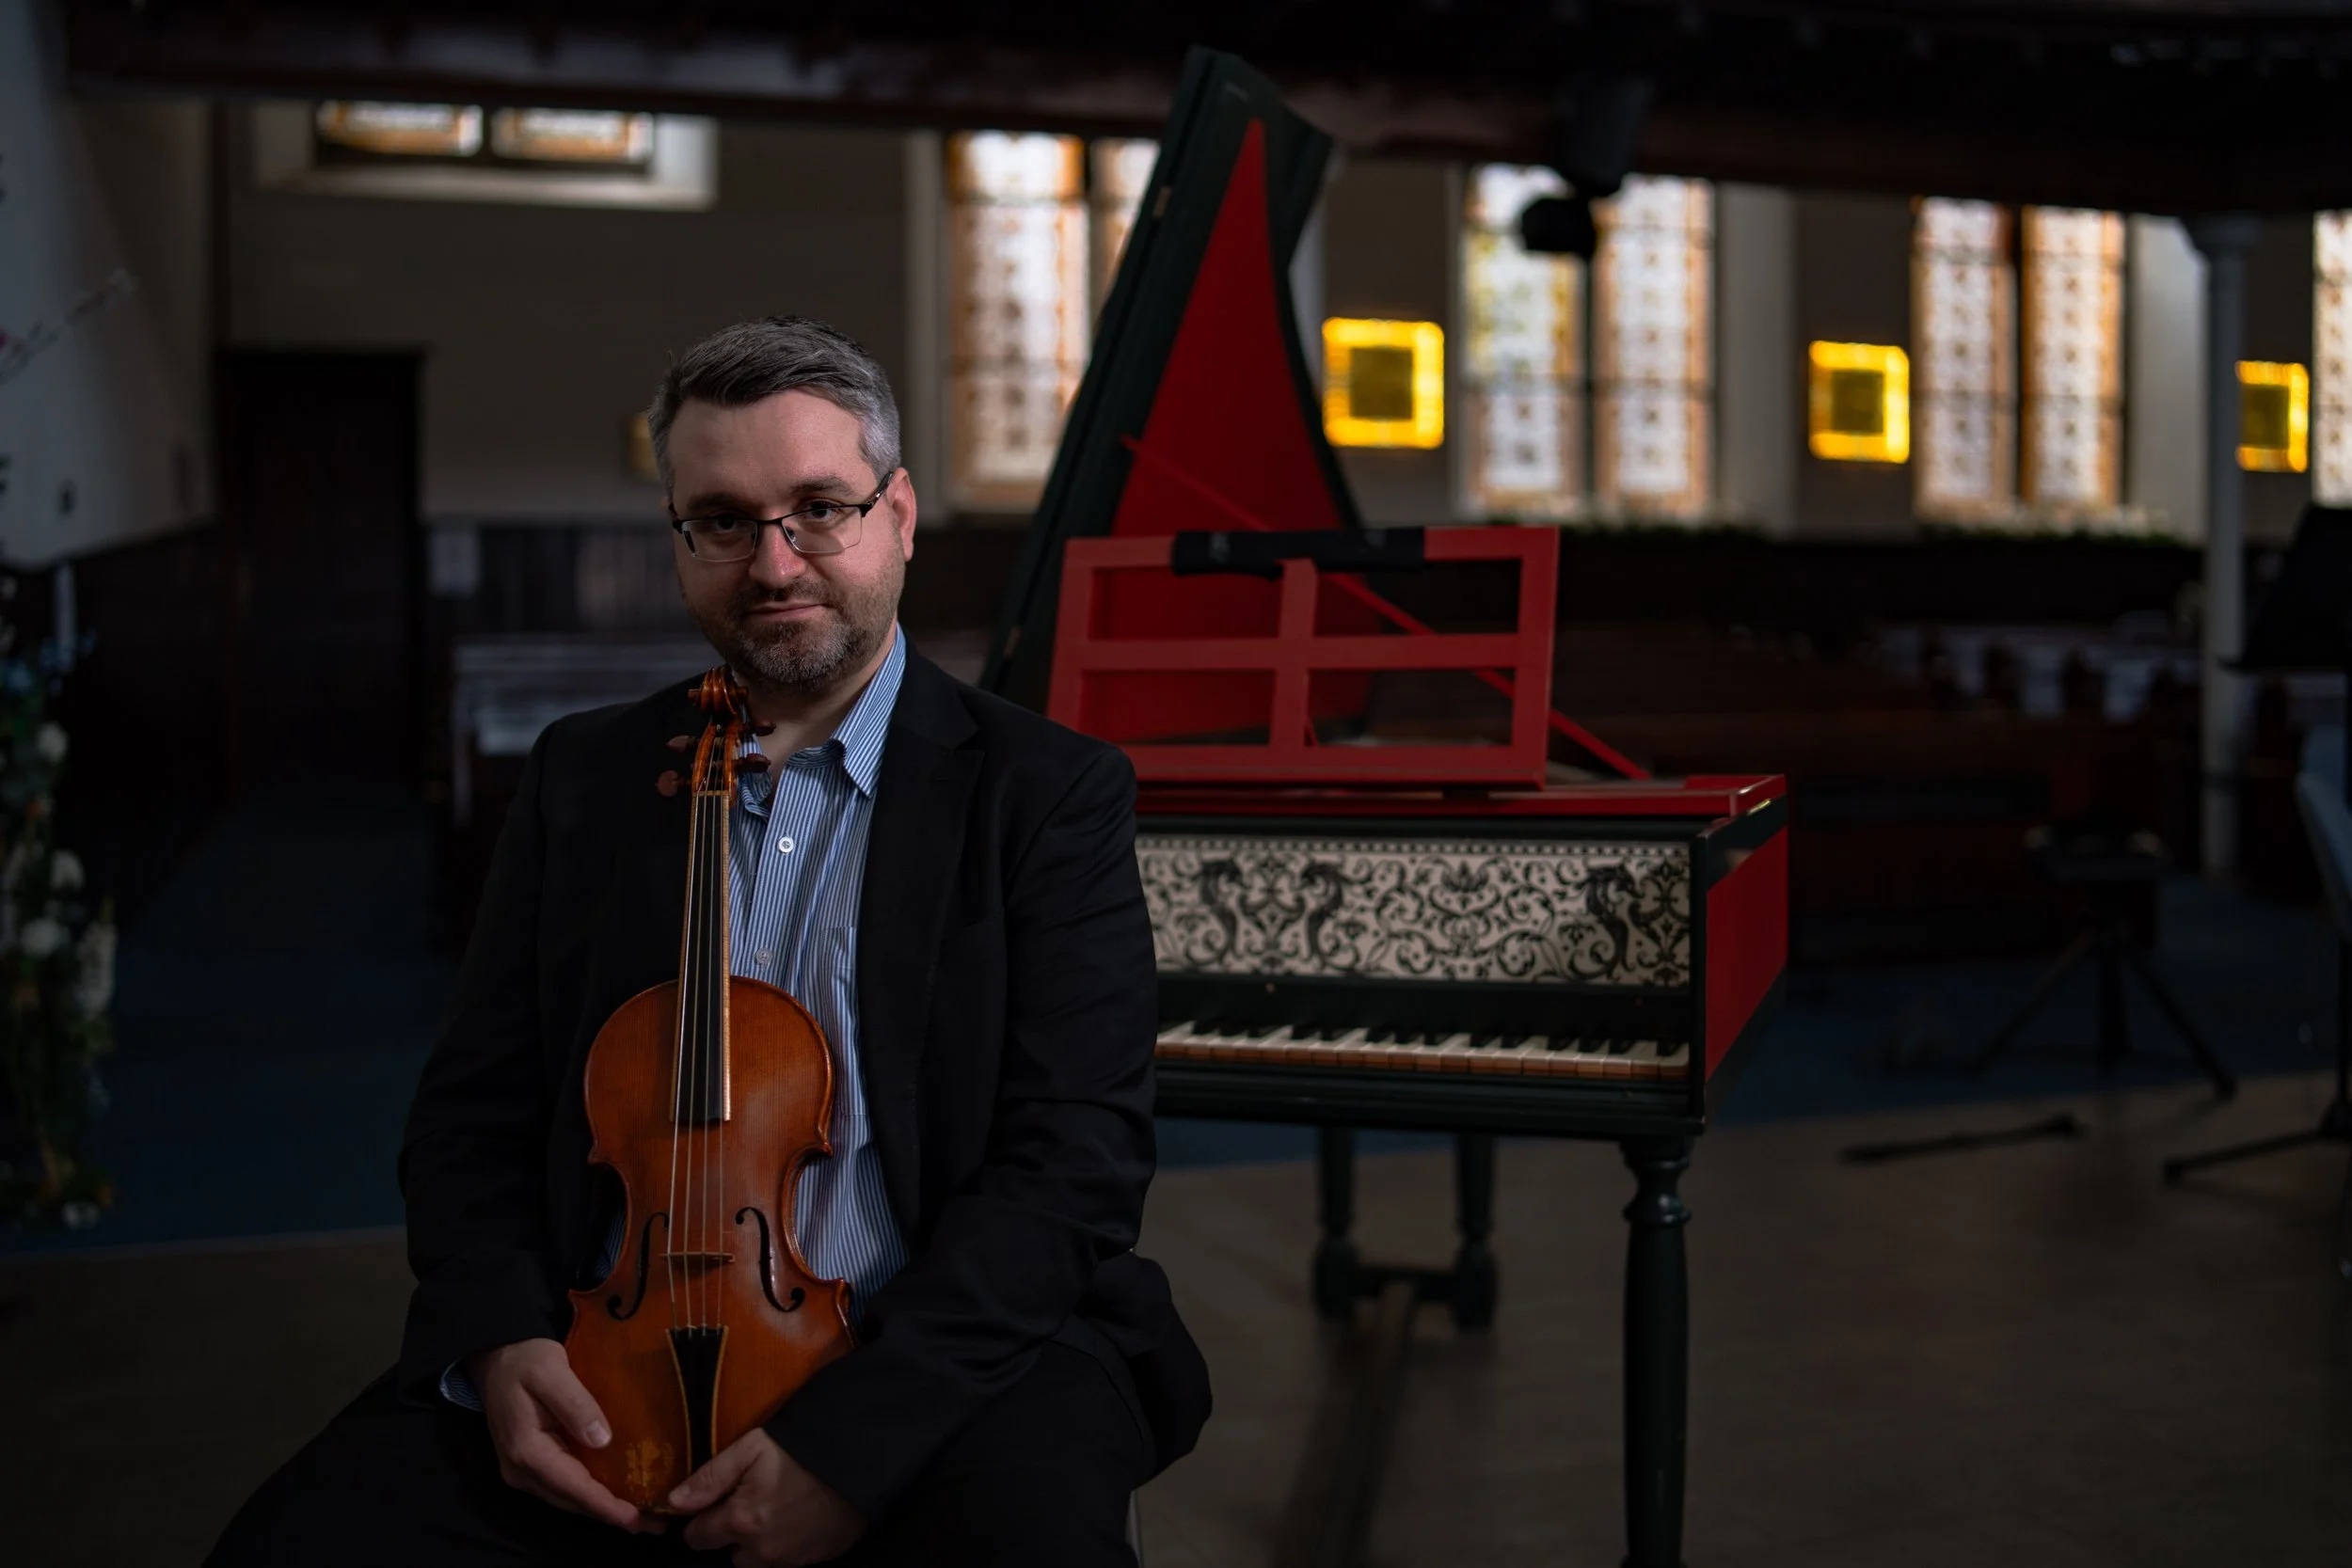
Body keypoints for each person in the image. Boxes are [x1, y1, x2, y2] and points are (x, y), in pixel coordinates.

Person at [209, 316, 1209, 1567]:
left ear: (897, 513)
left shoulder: (1043, 794)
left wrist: (850, 1443)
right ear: (680, 537)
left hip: (953, 1347)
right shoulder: (586, 777)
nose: (775, 561)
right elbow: (469, 1113)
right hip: (605, 1345)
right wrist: (501, 1337)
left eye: (820, 510)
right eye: (725, 520)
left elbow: (1074, 1168)